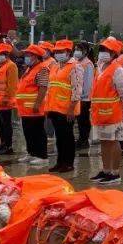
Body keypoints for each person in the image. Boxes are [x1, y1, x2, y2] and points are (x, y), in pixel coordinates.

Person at [89, 37, 123, 185]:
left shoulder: (118, 70)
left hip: (113, 113)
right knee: (104, 142)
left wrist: (121, 109)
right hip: (99, 113)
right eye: (102, 50)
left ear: (114, 54)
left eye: (107, 51)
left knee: (114, 141)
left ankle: (115, 173)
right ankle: (106, 170)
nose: (103, 53)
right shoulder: (99, 68)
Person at [44, 39, 79, 175]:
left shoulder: (75, 66)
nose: (58, 54)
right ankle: (60, 162)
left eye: (61, 52)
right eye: (57, 52)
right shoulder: (55, 66)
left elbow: (77, 89)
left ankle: (68, 163)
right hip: (54, 107)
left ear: (69, 52)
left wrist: (71, 109)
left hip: (67, 109)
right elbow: (50, 87)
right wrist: (47, 107)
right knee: (59, 137)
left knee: (67, 137)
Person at [15, 44, 51, 166]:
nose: (26, 57)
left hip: (35, 107)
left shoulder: (42, 68)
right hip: (25, 109)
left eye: (28, 55)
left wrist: (37, 104)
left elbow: (43, 88)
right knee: (28, 131)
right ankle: (31, 153)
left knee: (38, 132)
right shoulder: (30, 68)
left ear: (35, 56)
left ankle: (42, 156)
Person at [0, 43, 18, 156]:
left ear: (6, 54)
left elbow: (12, 85)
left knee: (6, 124)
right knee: (1, 125)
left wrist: (6, 98)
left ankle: (8, 146)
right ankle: (3, 144)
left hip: (5, 102)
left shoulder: (11, 66)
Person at [73, 41, 94, 150]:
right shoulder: (76, 62)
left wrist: (82, 95)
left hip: (84, 98)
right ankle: (81, 139)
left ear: (85, 51)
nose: (76, 52)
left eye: (79, 50)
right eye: (75, 49)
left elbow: (88, 83)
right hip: (76, 96)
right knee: (79, 120)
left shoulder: (88, 64)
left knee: (83, 120)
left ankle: (84, 140)